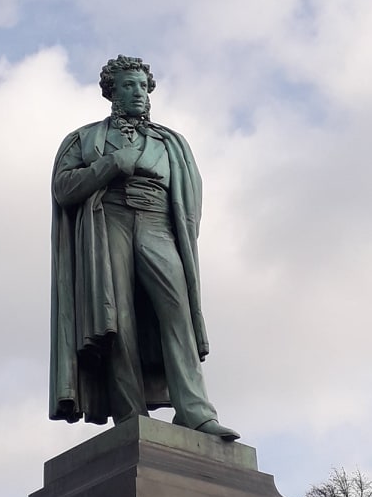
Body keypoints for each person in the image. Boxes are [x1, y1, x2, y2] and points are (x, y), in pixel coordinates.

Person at [49, 55, 239, 440]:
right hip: (110, 220)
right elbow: (63, 188)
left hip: (157, 224)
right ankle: (129, 413)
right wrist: (110, 165)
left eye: (142, 86)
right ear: (112, 92)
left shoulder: (171, 143)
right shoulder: (84, 139)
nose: (138, 92)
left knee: (177, 312)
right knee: (117, 317)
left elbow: (188, 199)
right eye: (128, 85)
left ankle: (195, 412)